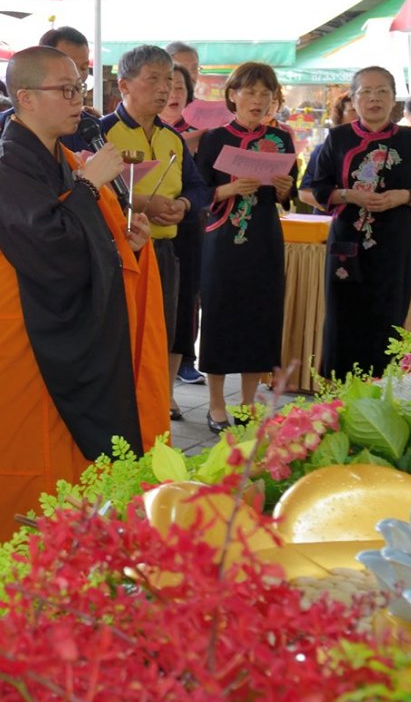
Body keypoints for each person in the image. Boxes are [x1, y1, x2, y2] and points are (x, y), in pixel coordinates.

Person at [0, 46, 169, 538]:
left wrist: (127, 242)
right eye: (67, 89)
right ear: (27, 98)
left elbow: (87, 238)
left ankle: (82, 550)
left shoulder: (68, 158)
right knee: (24, 453)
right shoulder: (4, 164)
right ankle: (13, 558)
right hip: (22, 332)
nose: (79, 99)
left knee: (74, 455)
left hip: (72, 330)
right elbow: (48, 246)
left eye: (80, 88)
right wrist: (84, 185)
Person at [306, 67, 411, 382]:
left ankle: (383, 394)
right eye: (366, 92)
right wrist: (349, 195)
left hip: (393, 243)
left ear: (394, 98)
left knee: (388, 316)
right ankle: (339, 395)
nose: (374, 98)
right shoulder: (338, 137)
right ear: (353, 100)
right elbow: (319, 188)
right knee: (343, 317)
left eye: (382, 91)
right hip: (347, 244)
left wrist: (405, 196)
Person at [195, 63, 296, 429]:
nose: (257, 100)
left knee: (261, 317)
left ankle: (250, 404)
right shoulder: (213, 138)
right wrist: (227, 189)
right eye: (250, 92)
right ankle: (216, 403)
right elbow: (198, 191)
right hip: (222, 241)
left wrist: (286, 190)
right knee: (220, 316)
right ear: (232, 95)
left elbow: (291, 191)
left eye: (265, 94)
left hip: (264, 239)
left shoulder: (282, 138)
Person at [95, 46, 194, 416]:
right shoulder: (100, 132)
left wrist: (182, 206)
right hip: (115, 253)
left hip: (163, 252)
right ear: (124, 85)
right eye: (153, 79)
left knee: (157, 335)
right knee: (117, 337)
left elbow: (197, 188)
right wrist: (140, 203)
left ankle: (150, 408)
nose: (164, 89)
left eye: (169, 80)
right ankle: (114, 410)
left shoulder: (174, 138)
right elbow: (86, 186)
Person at [164, 63, 209, 387]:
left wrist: (185, 203)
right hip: (141, 231)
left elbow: (203, 186)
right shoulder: (113, 129)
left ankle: (176, 374)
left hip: (188, 227)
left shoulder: (203, 134)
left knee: (183, 302)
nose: (171, 93)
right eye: (166, 83)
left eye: (180, 87)